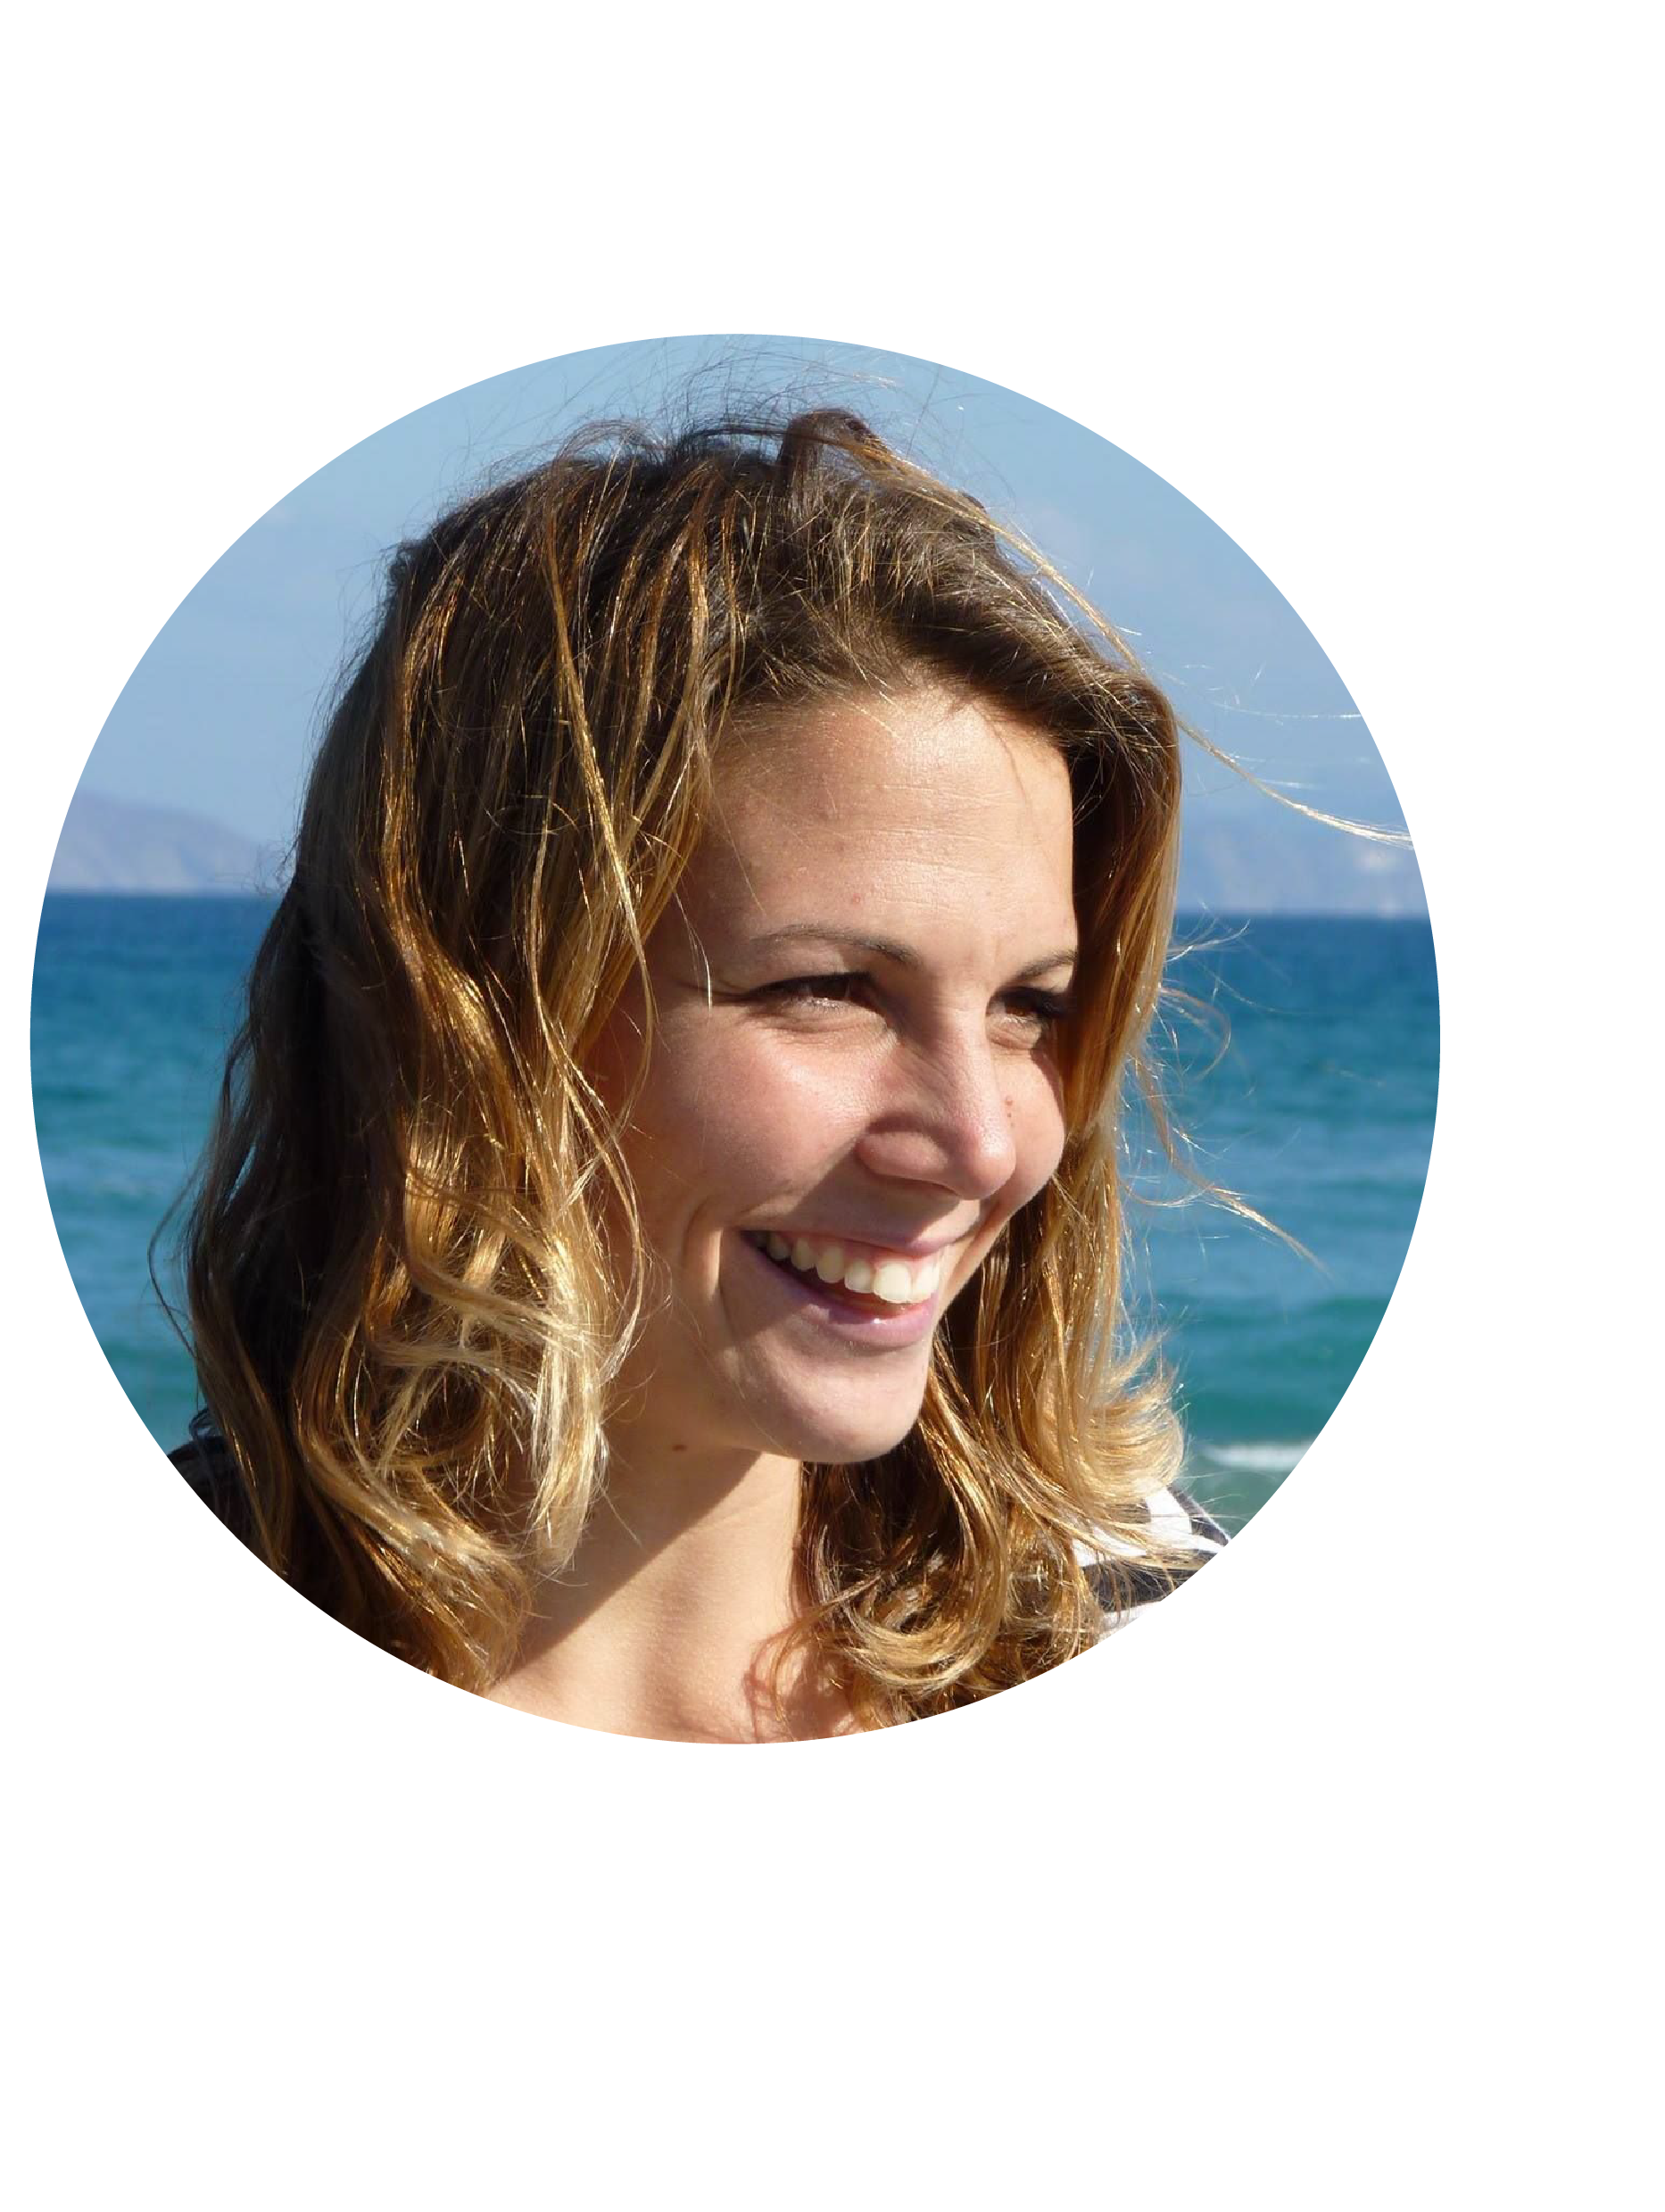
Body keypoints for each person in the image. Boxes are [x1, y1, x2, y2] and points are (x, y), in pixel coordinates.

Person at [156, 387, 1300, 1741]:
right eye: (827, 990)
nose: (986, 1146)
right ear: (471, 1018)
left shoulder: (1127, 1648)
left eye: (1027, 1008)